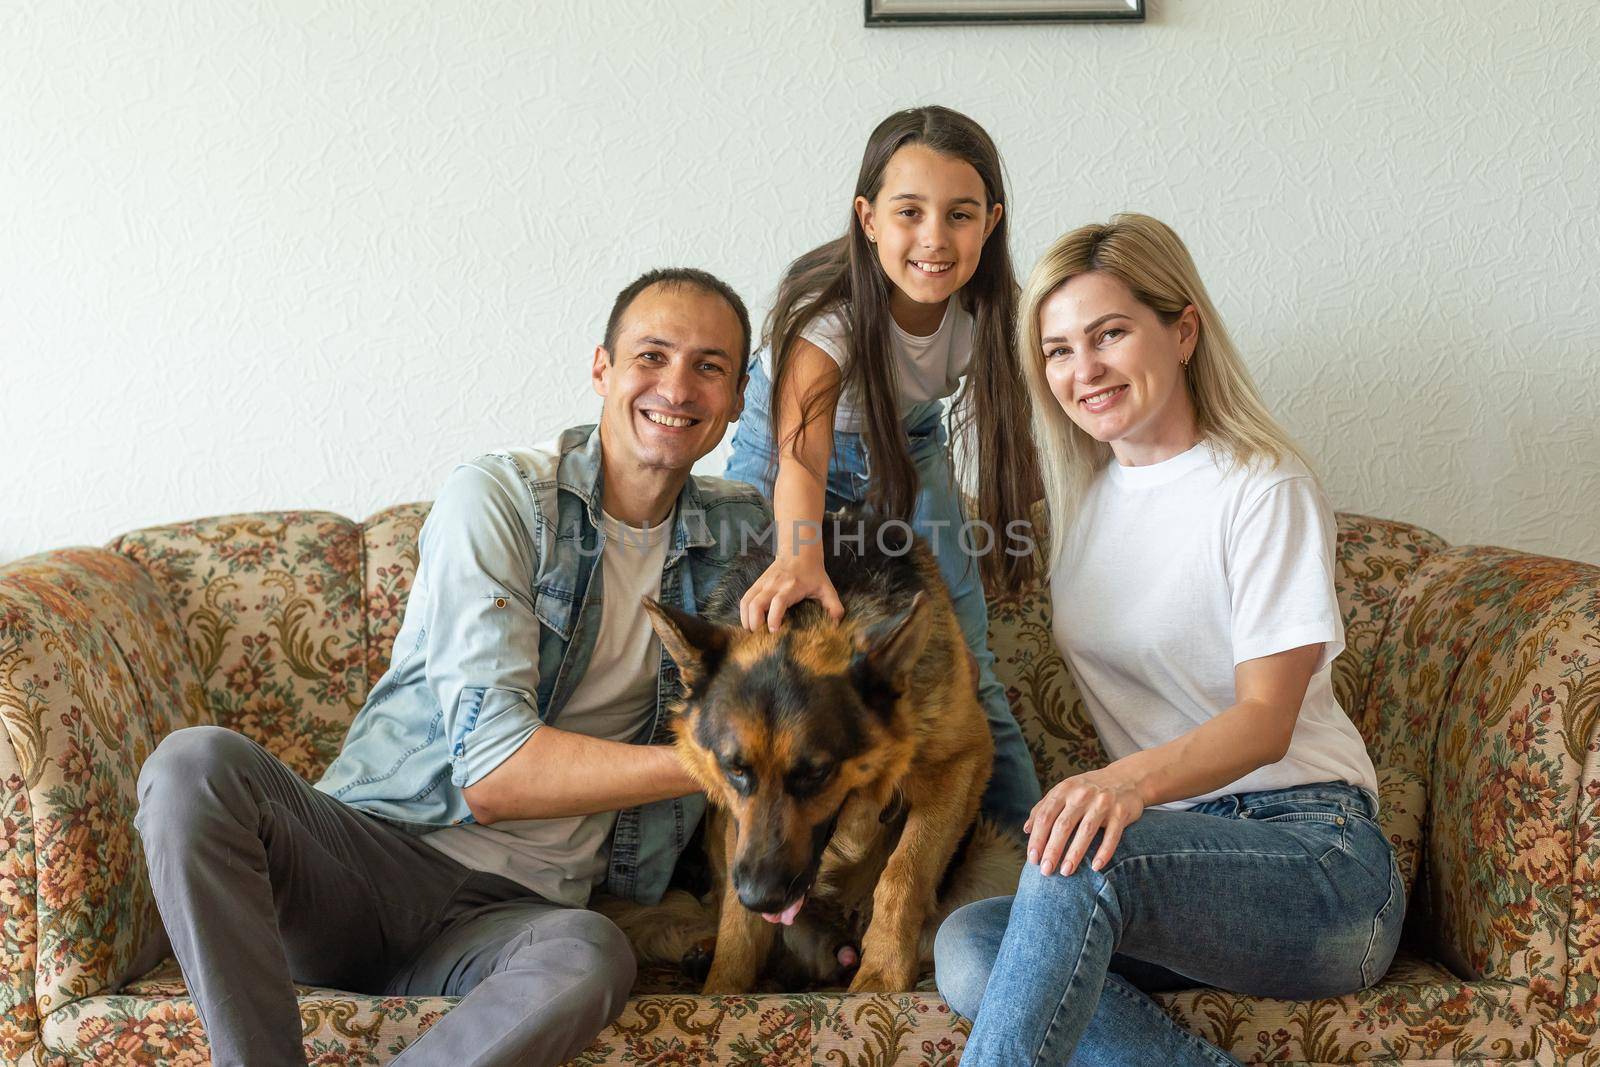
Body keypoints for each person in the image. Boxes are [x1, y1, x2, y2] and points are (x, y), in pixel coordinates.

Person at [134, 268, 771, 1067]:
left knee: (592, 955)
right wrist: (720, 764)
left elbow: (864, 546)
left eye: (710, 366)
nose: (677, 386)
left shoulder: (745, 538)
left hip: (520, 916)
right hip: (370, 861)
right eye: (652, 354)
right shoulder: (501, 498)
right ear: (602, 368)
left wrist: (812, 546)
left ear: (741, 397)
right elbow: (494, 772)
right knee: (195, 764)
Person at [934, 214, 1403, 1067]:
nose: (1085, 370)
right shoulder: (1082, 504)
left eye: (1110, 333)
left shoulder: (1263, 485)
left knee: (1076, 864)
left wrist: (1119, 786)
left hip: (1316, 862)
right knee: (970, 942)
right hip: (1163, 871)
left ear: (1183, 330)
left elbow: (1266, 722)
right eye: (1059, 349)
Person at [723, 104, 1044, 833]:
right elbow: (799, 454)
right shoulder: (826, 313)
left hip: (908, 440)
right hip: (787, 449)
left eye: (960, 214)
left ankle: (1022, 852)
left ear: (990, 222)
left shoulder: (993, 313)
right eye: (910, 212)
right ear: (867, 218)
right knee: (759, 635)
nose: (935, 238)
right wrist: (801, 556)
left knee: (967, 648)